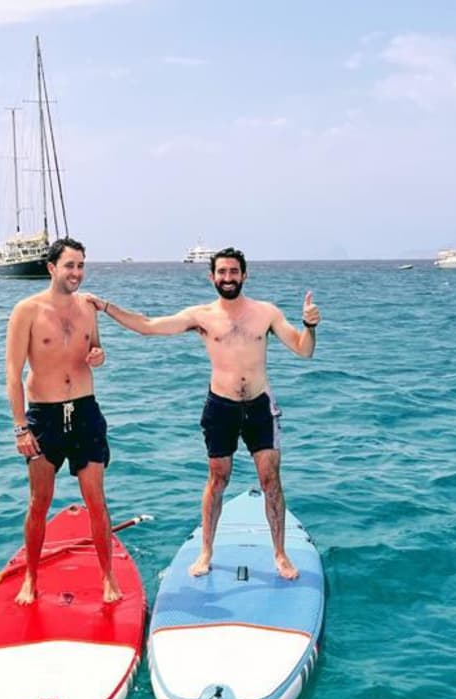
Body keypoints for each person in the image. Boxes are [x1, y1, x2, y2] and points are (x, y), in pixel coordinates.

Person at [87, 247, 319, 579]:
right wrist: (106, 307)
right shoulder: (202, 316)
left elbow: (304, 350)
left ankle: (280, 555)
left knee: (271, 481)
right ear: (212, 277)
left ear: (244, 275)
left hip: (259, 407)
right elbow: (149, 326)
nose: (228, 278)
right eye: (221, 272)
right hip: (220, 407)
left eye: (234, 272)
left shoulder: (265, 313)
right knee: (218, 479)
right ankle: (206, 551)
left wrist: (309, 326)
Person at [5, 237, 120, 605]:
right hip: (45, 417)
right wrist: (21, 427)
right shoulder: (27, 310)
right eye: (70, 265)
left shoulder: (88, 307)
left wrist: (98, 355)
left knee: (96, 501)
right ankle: (31, 579)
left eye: (81, 265)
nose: (77, 273)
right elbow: (12, 372)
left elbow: (94, 349)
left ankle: (107, 578)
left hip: (85, 412)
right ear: (51, 268)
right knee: (40, 502)